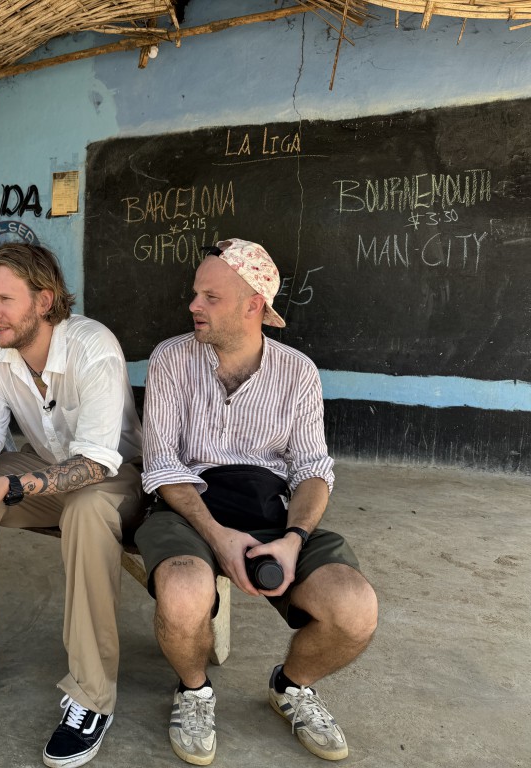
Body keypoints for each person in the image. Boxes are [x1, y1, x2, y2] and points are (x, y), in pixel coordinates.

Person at [135, 239, 378, 765]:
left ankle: (292, 685)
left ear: (253, 305)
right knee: (182, 592)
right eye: (195, 293)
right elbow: (161, 464)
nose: (193, 305)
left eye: (210, 297)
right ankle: (194, 690)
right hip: (186, 506)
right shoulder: (171, 358)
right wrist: (217, 536)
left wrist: (294, 539)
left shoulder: (297, 372)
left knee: (354, 608)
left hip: (269, 509)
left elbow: (312, 470)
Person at [0, 243, 143, 768]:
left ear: (44, 300)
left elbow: (97, 462)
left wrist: (12, 487)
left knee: (85, 511)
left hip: (116, 476)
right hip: (45, 467)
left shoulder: (93, 346)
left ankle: (91, 696)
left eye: (4, 300)